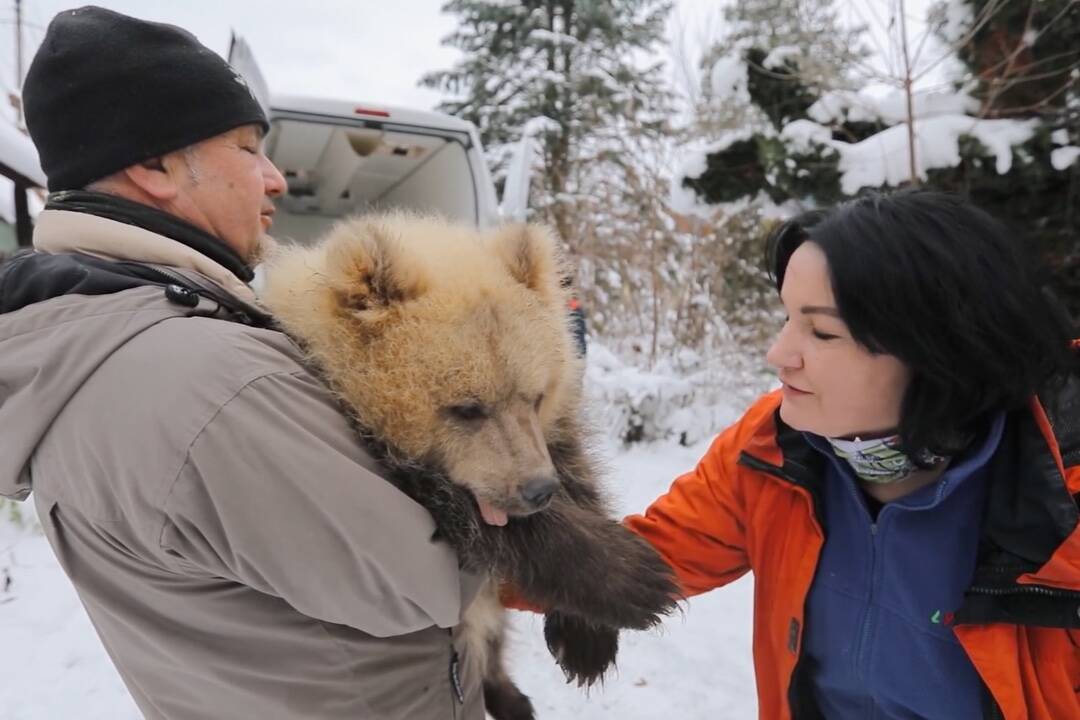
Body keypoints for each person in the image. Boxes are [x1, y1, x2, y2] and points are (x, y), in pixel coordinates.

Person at [0, 7, 487, 718]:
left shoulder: (92, 338)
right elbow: (428, 578)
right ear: (156, 164)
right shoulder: (208, 383)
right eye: (248, 148)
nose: (275, 180)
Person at [624, 190, 1080, 719]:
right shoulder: (773, 448)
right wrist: (510, 541)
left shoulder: (1061, 501)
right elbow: (637, 563)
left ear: (939, 352)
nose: (778, 355)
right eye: (787, 318)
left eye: (820, 331)